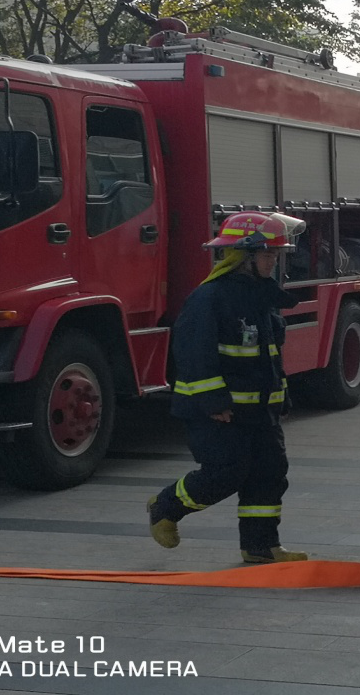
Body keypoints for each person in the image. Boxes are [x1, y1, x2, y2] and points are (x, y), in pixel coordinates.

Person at [147, 211, 309, 564]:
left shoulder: (261, 298)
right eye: (268, 255)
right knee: (225, 473)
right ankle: (166, 506)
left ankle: (261, 546)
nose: (274, 262)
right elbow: (193, 356)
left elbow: (267, 356)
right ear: (244, 256)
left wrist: (280, 396)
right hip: (218, 414)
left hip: (259, 412)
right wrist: (213, 401)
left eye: (276, 255)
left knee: (268, 475)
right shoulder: (210, 299)